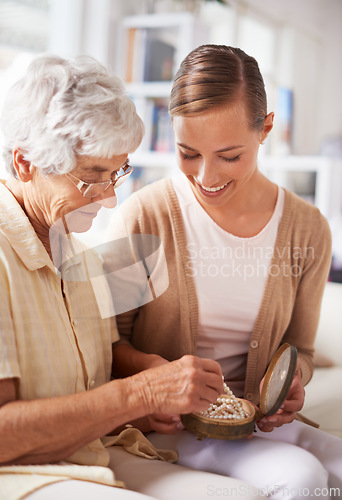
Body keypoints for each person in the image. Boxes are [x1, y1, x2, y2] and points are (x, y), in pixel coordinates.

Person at [0, 53, 268, 500]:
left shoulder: (74, 250)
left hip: (91, 449)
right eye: (92, 177)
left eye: (117, 173)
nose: (108, 200)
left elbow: (103, 352)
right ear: (25, 163)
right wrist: (141, 394)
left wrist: (156, 376)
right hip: (21, 470)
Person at [104, 45, 342, 499]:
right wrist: (158, 377)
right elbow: (108, 346)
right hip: (175, 426)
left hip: (258, 422)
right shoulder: (143, 218)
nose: (206, 176)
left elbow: (303, 350)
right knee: (304, 479)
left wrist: (294, 380)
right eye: (187, 152)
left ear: (266, 128)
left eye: (229, 156)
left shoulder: (308, 229)